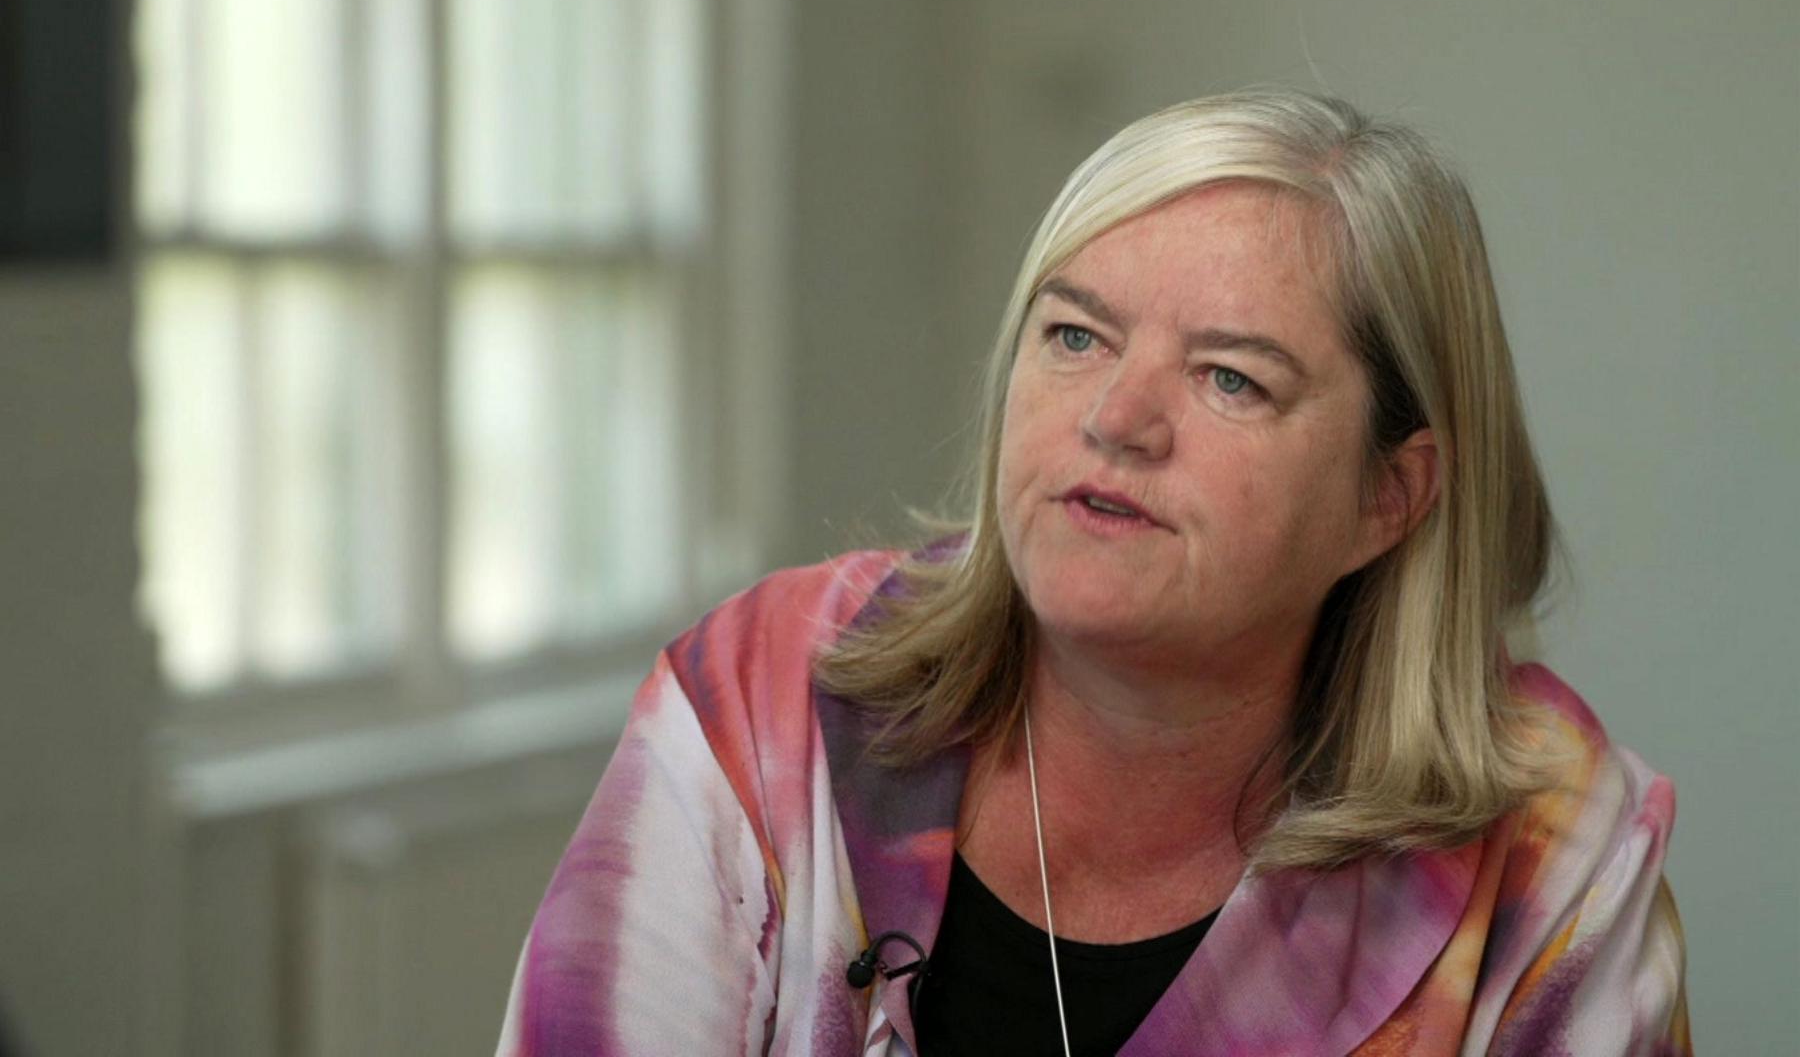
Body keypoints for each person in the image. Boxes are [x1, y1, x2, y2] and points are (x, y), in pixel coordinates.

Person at [495, 89, 1690, 1056]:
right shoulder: (763, 702)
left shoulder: (1550, 851)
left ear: (1390, 496)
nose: (1118, 417)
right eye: (1075, 334)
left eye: (1231, 377)